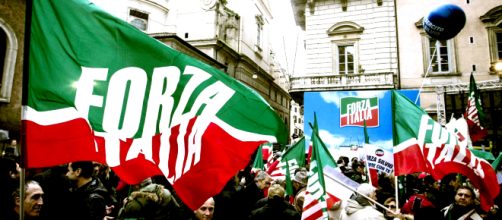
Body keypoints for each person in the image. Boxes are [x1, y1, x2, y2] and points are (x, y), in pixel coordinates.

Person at [117, 178, 181, 219]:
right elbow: (177, 208)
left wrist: (124, 205)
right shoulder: (166, 191)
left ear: (137, 185)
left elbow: (123, 216)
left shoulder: (135, 202)